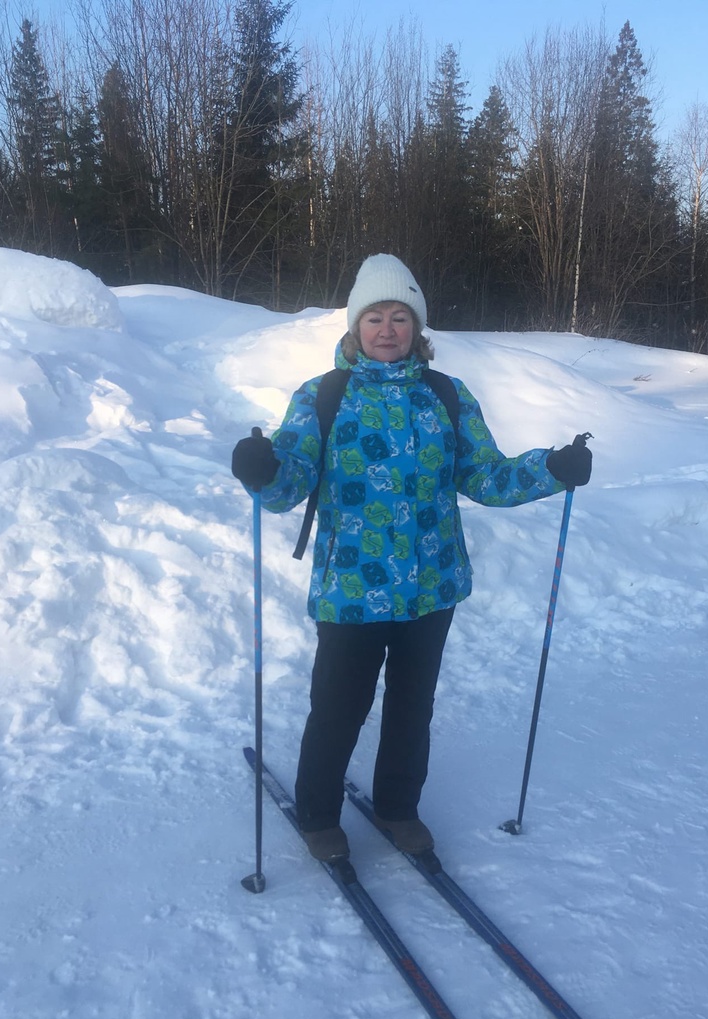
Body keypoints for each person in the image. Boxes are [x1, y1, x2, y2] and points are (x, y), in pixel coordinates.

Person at [231, 254, 592, 862]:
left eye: (400, 317)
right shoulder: (324, 396)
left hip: (432, 585)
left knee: (411, 708)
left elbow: (484, 476)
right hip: (352, 588)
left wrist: (552, 468)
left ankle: (398, 807)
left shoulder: (446, 395)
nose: (387, 329)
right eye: (374, 317)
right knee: (339, 706)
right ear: (356, 326)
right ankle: (318, 814)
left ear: (417, 327)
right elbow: (288, 482)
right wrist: (263, 470)